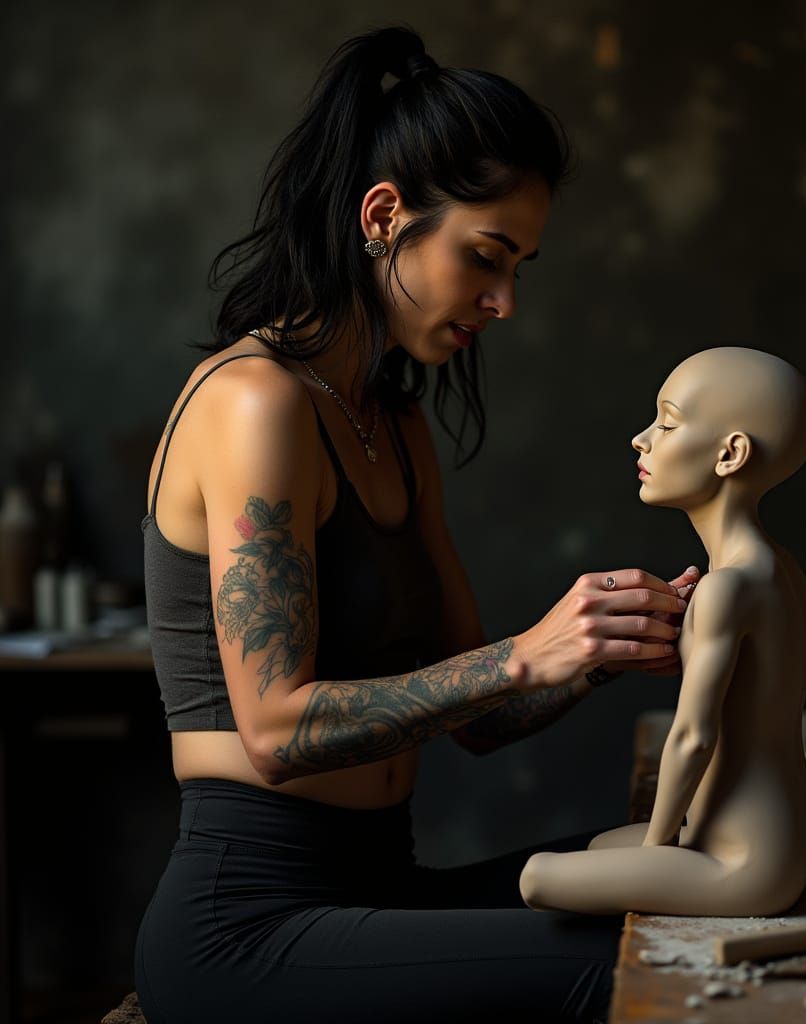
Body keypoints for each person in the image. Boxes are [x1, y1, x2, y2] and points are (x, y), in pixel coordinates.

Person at [134, 26, 699, 1024]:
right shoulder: (255, 403)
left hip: (376, 885)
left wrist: (607, 643)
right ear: (384, 215)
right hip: (248, 924)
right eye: (486, 255)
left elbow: (476, 719)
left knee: (687, 889)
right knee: (630, 977)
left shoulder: (391, 424)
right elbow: (272, 729)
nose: (505, 300)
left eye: (520, 263)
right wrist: (528, 652)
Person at [519, 347, 806, 917]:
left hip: (747, 862)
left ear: (730, 454)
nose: (642, 438)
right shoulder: (779, 568)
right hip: (791, 835)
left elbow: (693, 738)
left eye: (667, 421)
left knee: (537, 878)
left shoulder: (726, 588)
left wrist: (661, 850)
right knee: (595, 848)